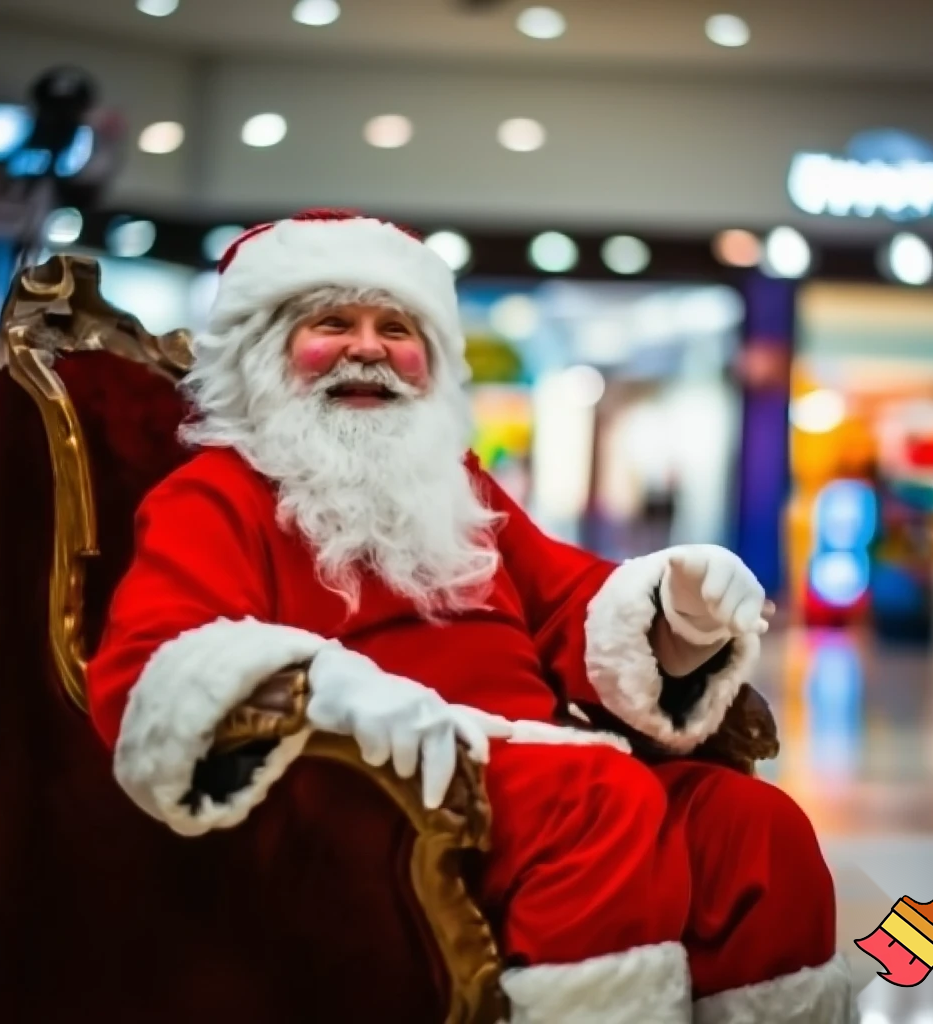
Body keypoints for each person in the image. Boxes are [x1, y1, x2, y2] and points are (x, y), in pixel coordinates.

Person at [87, 209, 854, 1023]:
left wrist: (679, 613)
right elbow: (156, 666)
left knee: (755, 825)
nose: (370, 348)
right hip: (370, 795)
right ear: (264, 353)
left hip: (540, 771)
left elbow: (570, 602)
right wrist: (322, 685)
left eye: (397, 327)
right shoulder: (215, 495)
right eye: (332, 322)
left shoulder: (456, 487)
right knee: (601, 794)